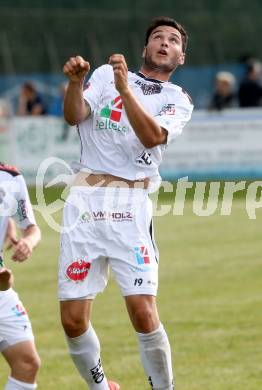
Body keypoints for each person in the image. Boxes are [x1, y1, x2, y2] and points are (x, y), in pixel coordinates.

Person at [60, 16, 193, 390]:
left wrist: (125, 89)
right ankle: (101, 388)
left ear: (181, 56)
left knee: (142, 311)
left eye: (173, 40)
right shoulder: (104, 75)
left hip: (130, 205)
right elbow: (73, 115)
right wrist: (74, 83)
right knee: (72, 319)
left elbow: (151, 137)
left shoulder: (177, 99)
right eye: (157, 38)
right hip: (84, 203)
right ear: (145, 48)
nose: (164, 43)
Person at [0, 162, 41, 390]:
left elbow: (32, 229)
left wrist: (28, 242)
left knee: (27, 364)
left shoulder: (10, 178)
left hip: (1, 284)